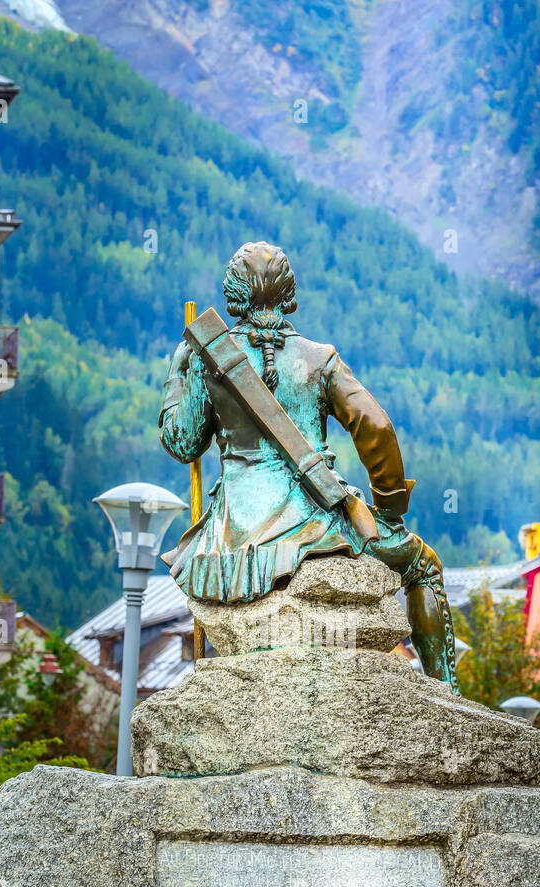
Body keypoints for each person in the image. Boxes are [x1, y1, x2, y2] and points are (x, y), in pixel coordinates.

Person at [160, 241, 458, 687]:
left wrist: (180, 370)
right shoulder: (320, 358)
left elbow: (182, 443)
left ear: (233, 294)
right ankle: (446, 692)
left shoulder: (206, 360)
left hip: (234, 532)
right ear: (287, 292)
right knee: (423, 566)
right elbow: (376, 427)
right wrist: (389, 504)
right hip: (317, 519)